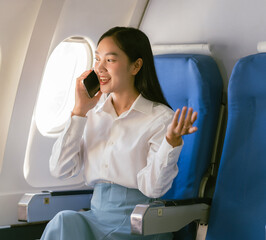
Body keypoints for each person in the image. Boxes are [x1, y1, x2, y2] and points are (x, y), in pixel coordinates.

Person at [41, 27, 198, 240]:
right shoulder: (92, 114)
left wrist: (171, 142)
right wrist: (79, 112)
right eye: (97, 59)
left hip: (138, 223)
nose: (100, 68)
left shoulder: (160, 118)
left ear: (136, 66)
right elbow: (60, 169)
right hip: (96, 216)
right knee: (63, 221)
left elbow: (153, 189)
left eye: (110, 60)